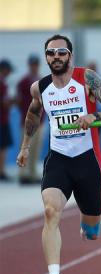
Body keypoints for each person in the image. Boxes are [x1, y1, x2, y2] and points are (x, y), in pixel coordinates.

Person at [16, 34, 101, 274]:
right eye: (51, 53)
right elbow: (33, 114)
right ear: (46, 58)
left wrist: (94, 115)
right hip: (59, 159)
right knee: (51, 211)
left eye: (61, 52)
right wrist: (25, 147)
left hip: (87, 159)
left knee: (92, 229)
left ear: (70, 56)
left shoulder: (86, 78)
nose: (56, 57)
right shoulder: (39, 88)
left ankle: (91, 223)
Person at [17, 54, 44, 185]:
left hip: (40, 122)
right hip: (27, 121)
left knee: (36, 148)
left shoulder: (42, 80)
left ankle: (32, 173)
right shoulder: (23, 82)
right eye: (32, 64)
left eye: (36, 64)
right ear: (29, 65)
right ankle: (23, 174)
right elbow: (19, 100)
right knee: (25, 146)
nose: (34, 67)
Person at [0, 59, 12, 181]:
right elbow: (5, 103)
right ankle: (1, 171)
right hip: (2, 120)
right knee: (3, 147)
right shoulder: (2, 84)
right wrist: (11, 102)